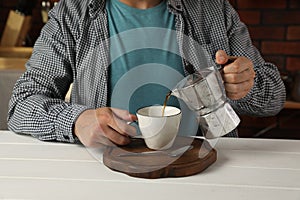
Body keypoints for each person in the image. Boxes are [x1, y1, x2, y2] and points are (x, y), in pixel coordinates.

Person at [7, 0, 286, 148]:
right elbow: (21, 105)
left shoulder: (213, 9)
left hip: (203, 168)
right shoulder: (73, 13)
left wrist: (247, 84)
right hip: (103, 174)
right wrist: (76, 121)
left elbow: (275, 97)